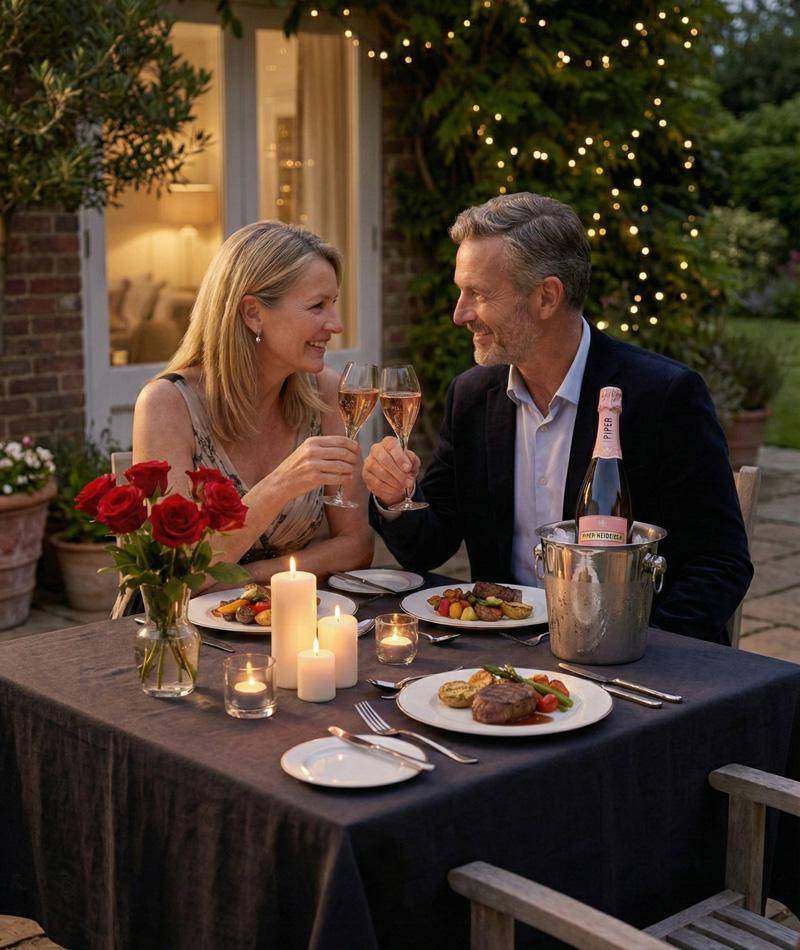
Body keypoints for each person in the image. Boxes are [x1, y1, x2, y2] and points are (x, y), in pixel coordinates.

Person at [363, 192, 752, 644]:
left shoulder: (663, 397)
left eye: (479, 294)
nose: (459, 314)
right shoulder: (472, 397)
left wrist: (629, 646)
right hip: (505, 657)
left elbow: (720, 564)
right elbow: (429, 546)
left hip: (628, 658)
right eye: (461, 292)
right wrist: (395, 500)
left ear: (546, 297)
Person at [133, 220, 373, 585]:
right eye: (317, 306)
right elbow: (178, 572)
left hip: (283, 612)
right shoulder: (167, 405)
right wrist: (281, 484)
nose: (335, 324)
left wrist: (249, 578)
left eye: (333, 304)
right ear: (253, 313)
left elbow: (357, 545)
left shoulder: (326, 393)